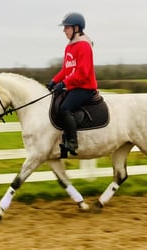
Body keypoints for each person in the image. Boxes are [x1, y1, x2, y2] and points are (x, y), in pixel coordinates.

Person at [47, 12, 98, 155]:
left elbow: (83, 73)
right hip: (73, 86)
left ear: (76, 28)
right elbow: (66, 69)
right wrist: (54, 81)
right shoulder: (69, 46)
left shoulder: (84, 46)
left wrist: (63, 84)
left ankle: (72, 142)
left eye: (67, 27)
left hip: (85, 88)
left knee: (65, 108)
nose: (64, 30)